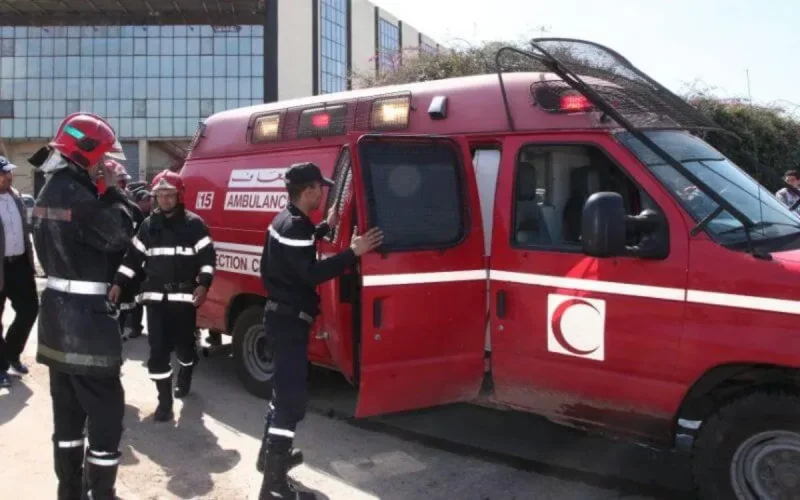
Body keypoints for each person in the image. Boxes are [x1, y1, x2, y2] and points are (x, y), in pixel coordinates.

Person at [256, 162, 383, 499]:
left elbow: (293, 252)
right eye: (320, 189)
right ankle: (274, 487)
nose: (322, 194)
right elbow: (310, 273)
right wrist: (353, 253)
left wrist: (322, 230)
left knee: (282, 393)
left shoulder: (287, 220)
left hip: (280, 318)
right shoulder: (296, 226)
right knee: (290, 401)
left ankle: (269, 460)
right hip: (287, 323)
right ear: (309, 189)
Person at [29, 112, 134, 500]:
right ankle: (101, 494)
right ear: (88, 153)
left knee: (68, 417)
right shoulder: (81, 196)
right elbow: (122, 231)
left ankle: (68, 491)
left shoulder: (48, 189)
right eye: (103, 157)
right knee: (106, 415)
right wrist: (112, 189)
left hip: (56, 320)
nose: (105, 164)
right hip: (87, 326)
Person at [108, 169, 216, 422]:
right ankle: (164, 401)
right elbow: (132, 258)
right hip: (155, 301)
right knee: (157, 353)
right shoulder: (148, 225)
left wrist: (204, 284)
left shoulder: (194, 224)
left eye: (170, 195)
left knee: (185, 348)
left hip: (184, 300)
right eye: (160, 195)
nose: (165, 200)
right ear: (154, 197)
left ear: (179, 195)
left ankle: (186, 373)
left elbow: (208, 259)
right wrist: (118, 283)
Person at [0, 156, 38, 388]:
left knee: (30, 309)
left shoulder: (16, 197)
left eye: (8, 172)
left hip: (20, 265)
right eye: (3, 173)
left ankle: (11, 353)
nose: (8, 176)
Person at [99, 161, 145, 341]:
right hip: (102, 269)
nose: (123, 186)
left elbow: (143, 238)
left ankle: (120, 331)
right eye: (119, 182)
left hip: (127, 268)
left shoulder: (133, 210)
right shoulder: (95, 207)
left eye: (124, 182)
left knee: (126, 303)